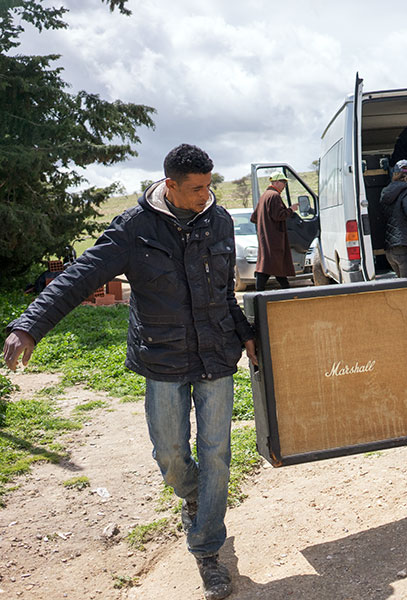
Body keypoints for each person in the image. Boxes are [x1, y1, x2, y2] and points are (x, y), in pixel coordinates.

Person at [3, 144, 256, 600]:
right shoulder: (132, 230)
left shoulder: (217, 220)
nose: (207, 194)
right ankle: (194, 498)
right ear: (170, 185)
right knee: (171, 456)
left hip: (217, 353)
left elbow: (222, 290)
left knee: (217, 454)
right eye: (197, 188)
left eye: (209, 185)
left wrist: (246, 333)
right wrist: (29, 326)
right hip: (162, 358)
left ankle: (207, 550)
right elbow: (77, 277)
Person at [251, 172, 298, 291]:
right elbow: (279, 215)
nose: (285, 185)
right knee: (272, 265)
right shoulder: (274, 196)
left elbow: (254, 217)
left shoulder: (264, 196)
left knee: (271, 265)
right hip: (274, 238)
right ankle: (261, 293)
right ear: (276, 182)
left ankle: (285, 290)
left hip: (266, 237)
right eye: (283, 182)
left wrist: (265, 225)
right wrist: (291, 210)